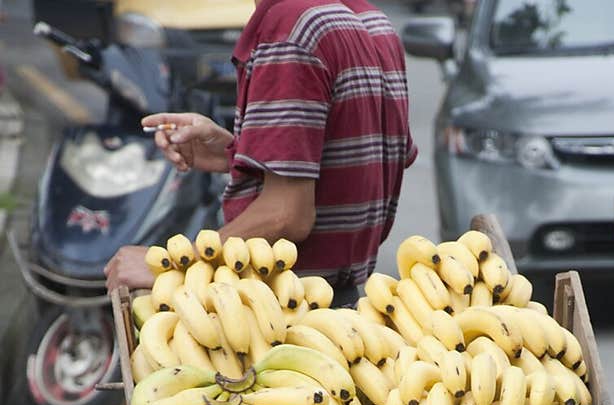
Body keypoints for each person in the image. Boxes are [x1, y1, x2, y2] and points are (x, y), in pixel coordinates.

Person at [105, 0, 417, 306]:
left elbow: (287, 215)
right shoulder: (371, 20)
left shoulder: (292, 30)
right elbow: (361, 163)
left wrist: (172, 264)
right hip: (342, 304)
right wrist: (239, 152)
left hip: (278, 309)